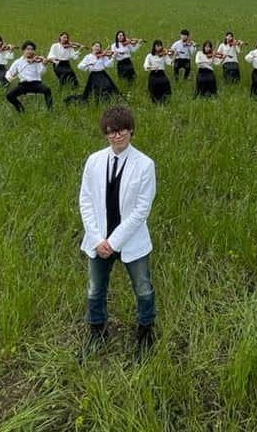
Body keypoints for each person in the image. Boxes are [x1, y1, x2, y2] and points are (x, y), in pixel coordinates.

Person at [79, 105, 157, 357]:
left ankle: (145, 334)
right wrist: (97, 239)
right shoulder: (94, 161)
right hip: (98, 239)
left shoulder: (145, 165)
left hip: (130, 240)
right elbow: (86, 200)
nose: (117, 136)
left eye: (122, 130)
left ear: (131, 130)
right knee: (95, 289)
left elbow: (141, 210)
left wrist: (114, 242)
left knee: (143, 288)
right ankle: (97, 332)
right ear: (105, 134)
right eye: (111, 132)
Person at [5, 41, 53, 112]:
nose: (30, 51)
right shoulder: (18, 62)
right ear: (23, 50)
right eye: (28, 49)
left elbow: (41, 72)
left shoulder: (37, 61)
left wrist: (44, 64)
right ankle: (21, 110)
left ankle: (50, 111)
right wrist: (9, 77)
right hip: (23, 85)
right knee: (9, 96)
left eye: (32, 49)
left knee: (47, 90)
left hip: (36, 84)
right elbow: (9, 72)